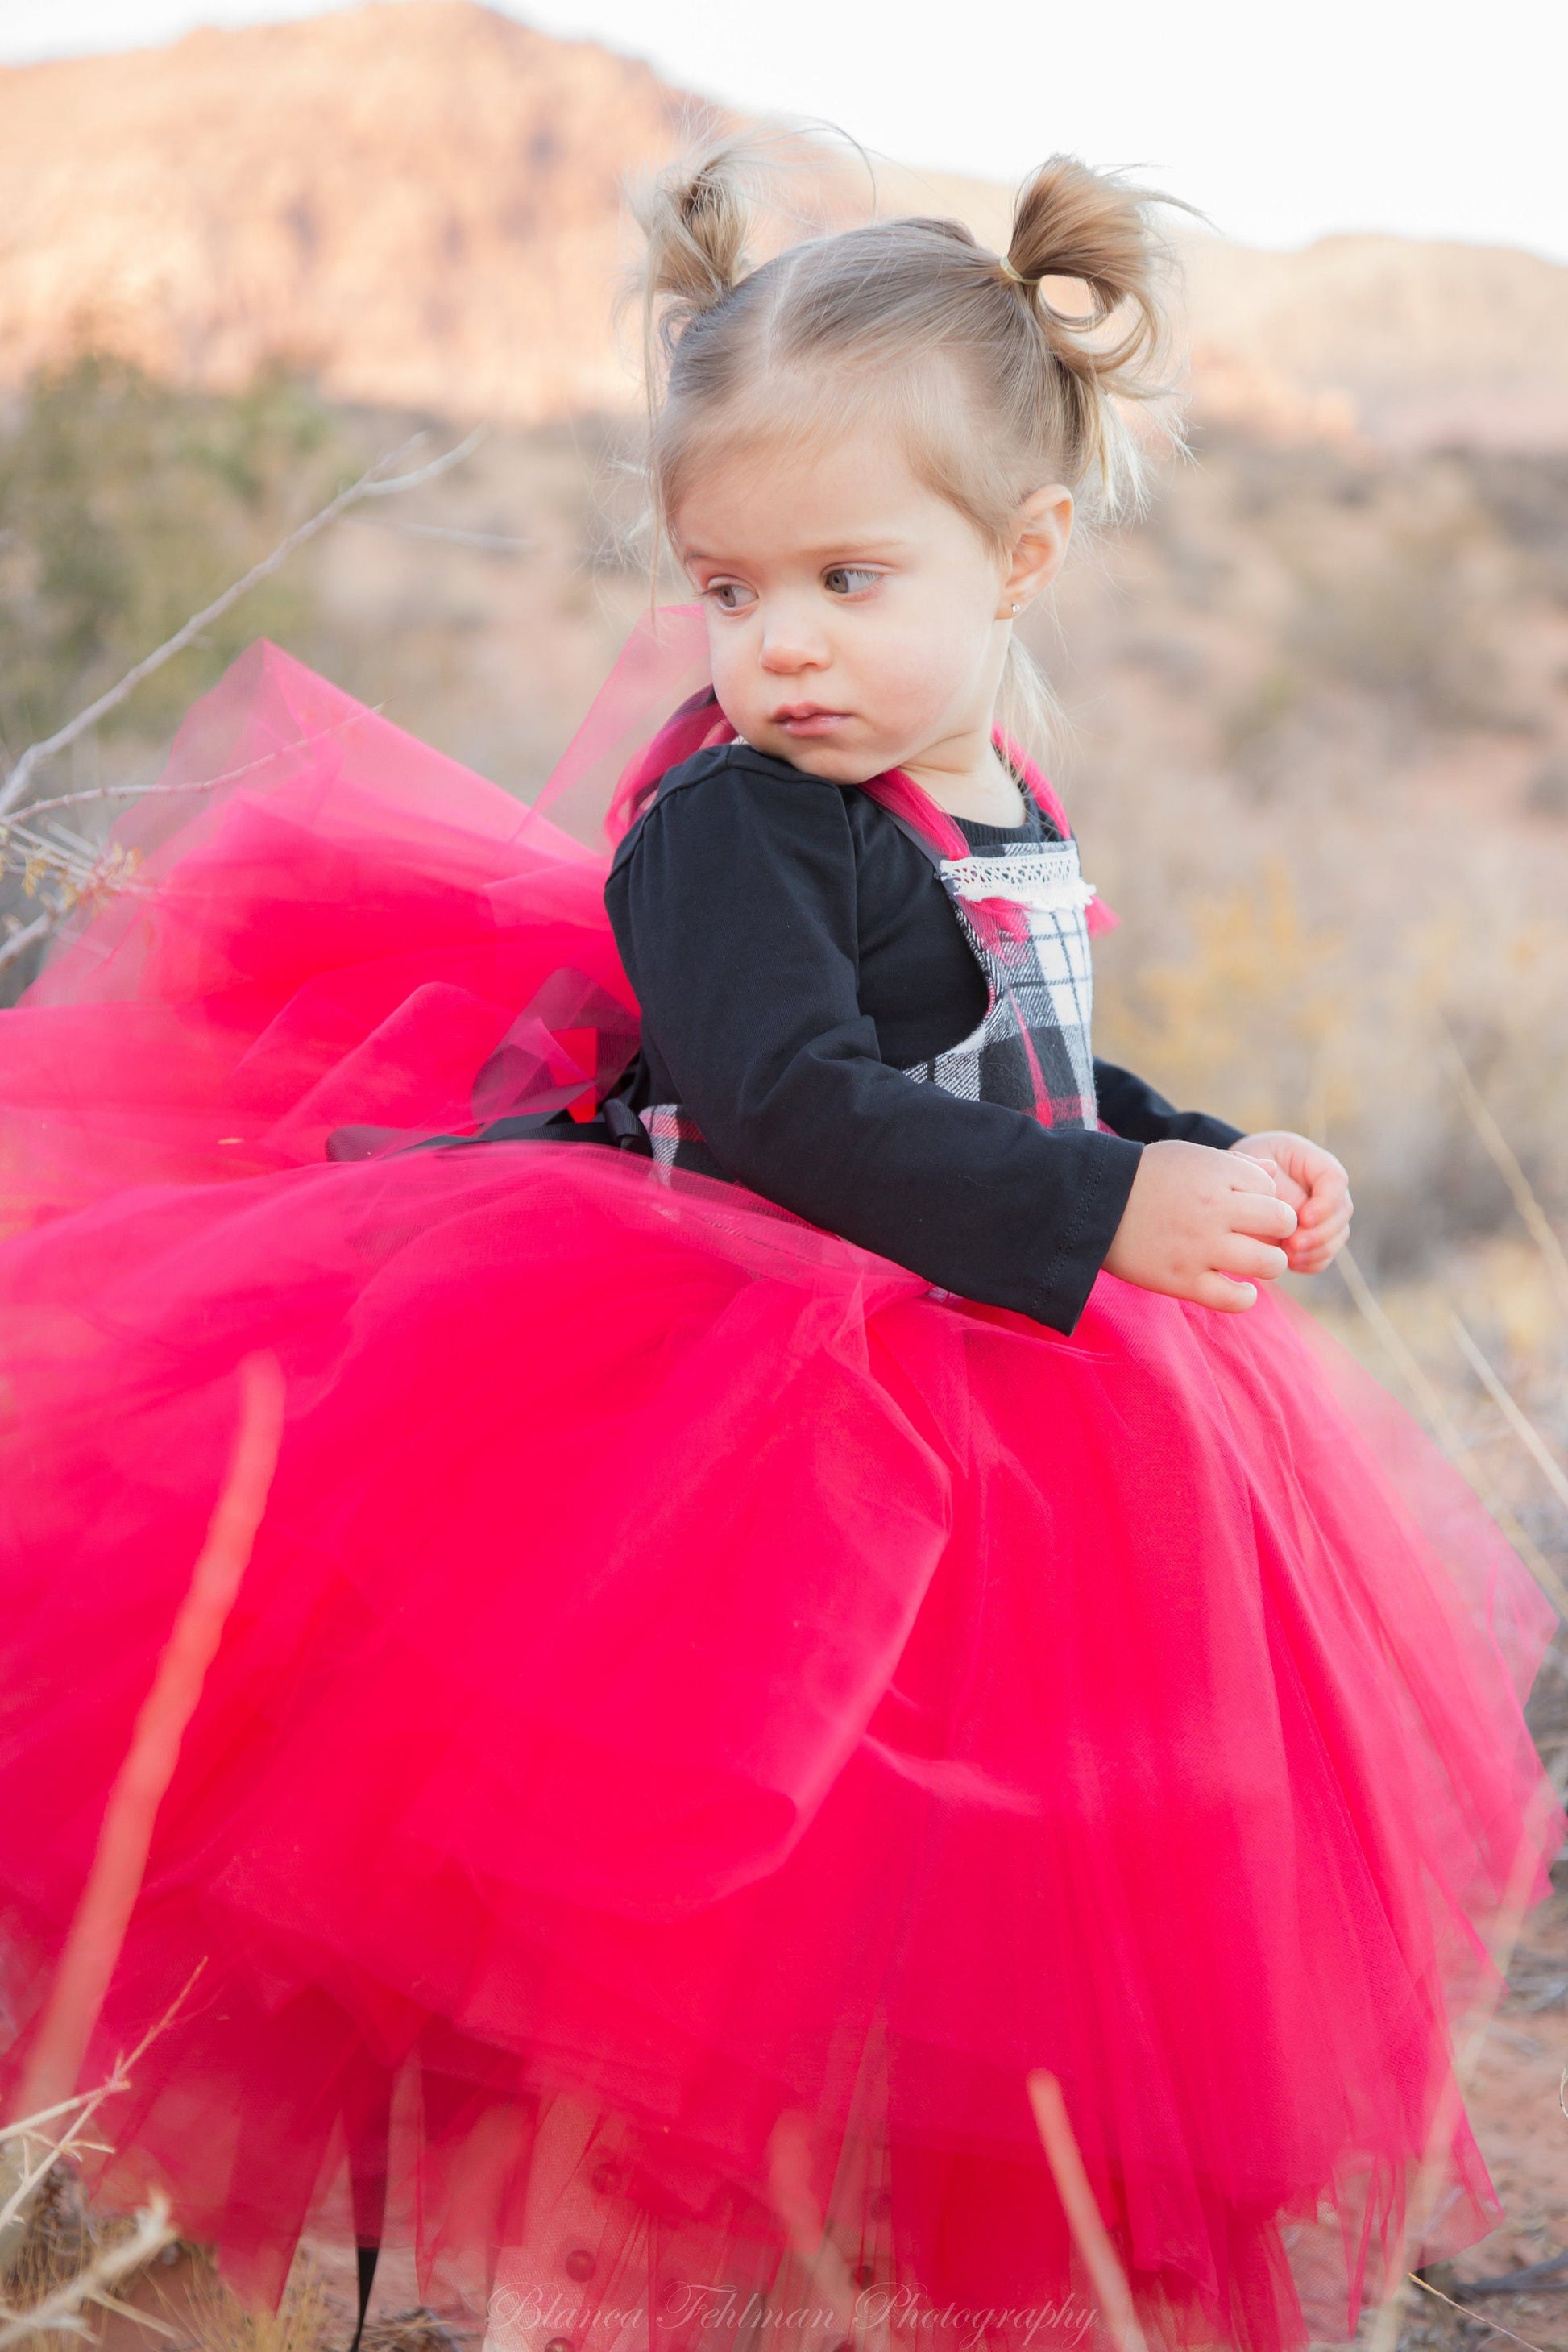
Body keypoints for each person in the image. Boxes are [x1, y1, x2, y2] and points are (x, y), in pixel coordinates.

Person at [0, 145, 1556, 2352]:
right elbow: (791, 1105)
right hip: (738, 1375)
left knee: (976, 1874)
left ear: (1018, 558)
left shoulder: (992, 790)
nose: (780, 640)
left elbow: (1017, 1063)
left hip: (994, 1368)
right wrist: (1104, 1209)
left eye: (843, 574)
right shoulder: (733, 823)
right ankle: (629, 2266)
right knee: (712, 1867)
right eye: (729, 588)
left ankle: (863, 2261)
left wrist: (1190, 1145)